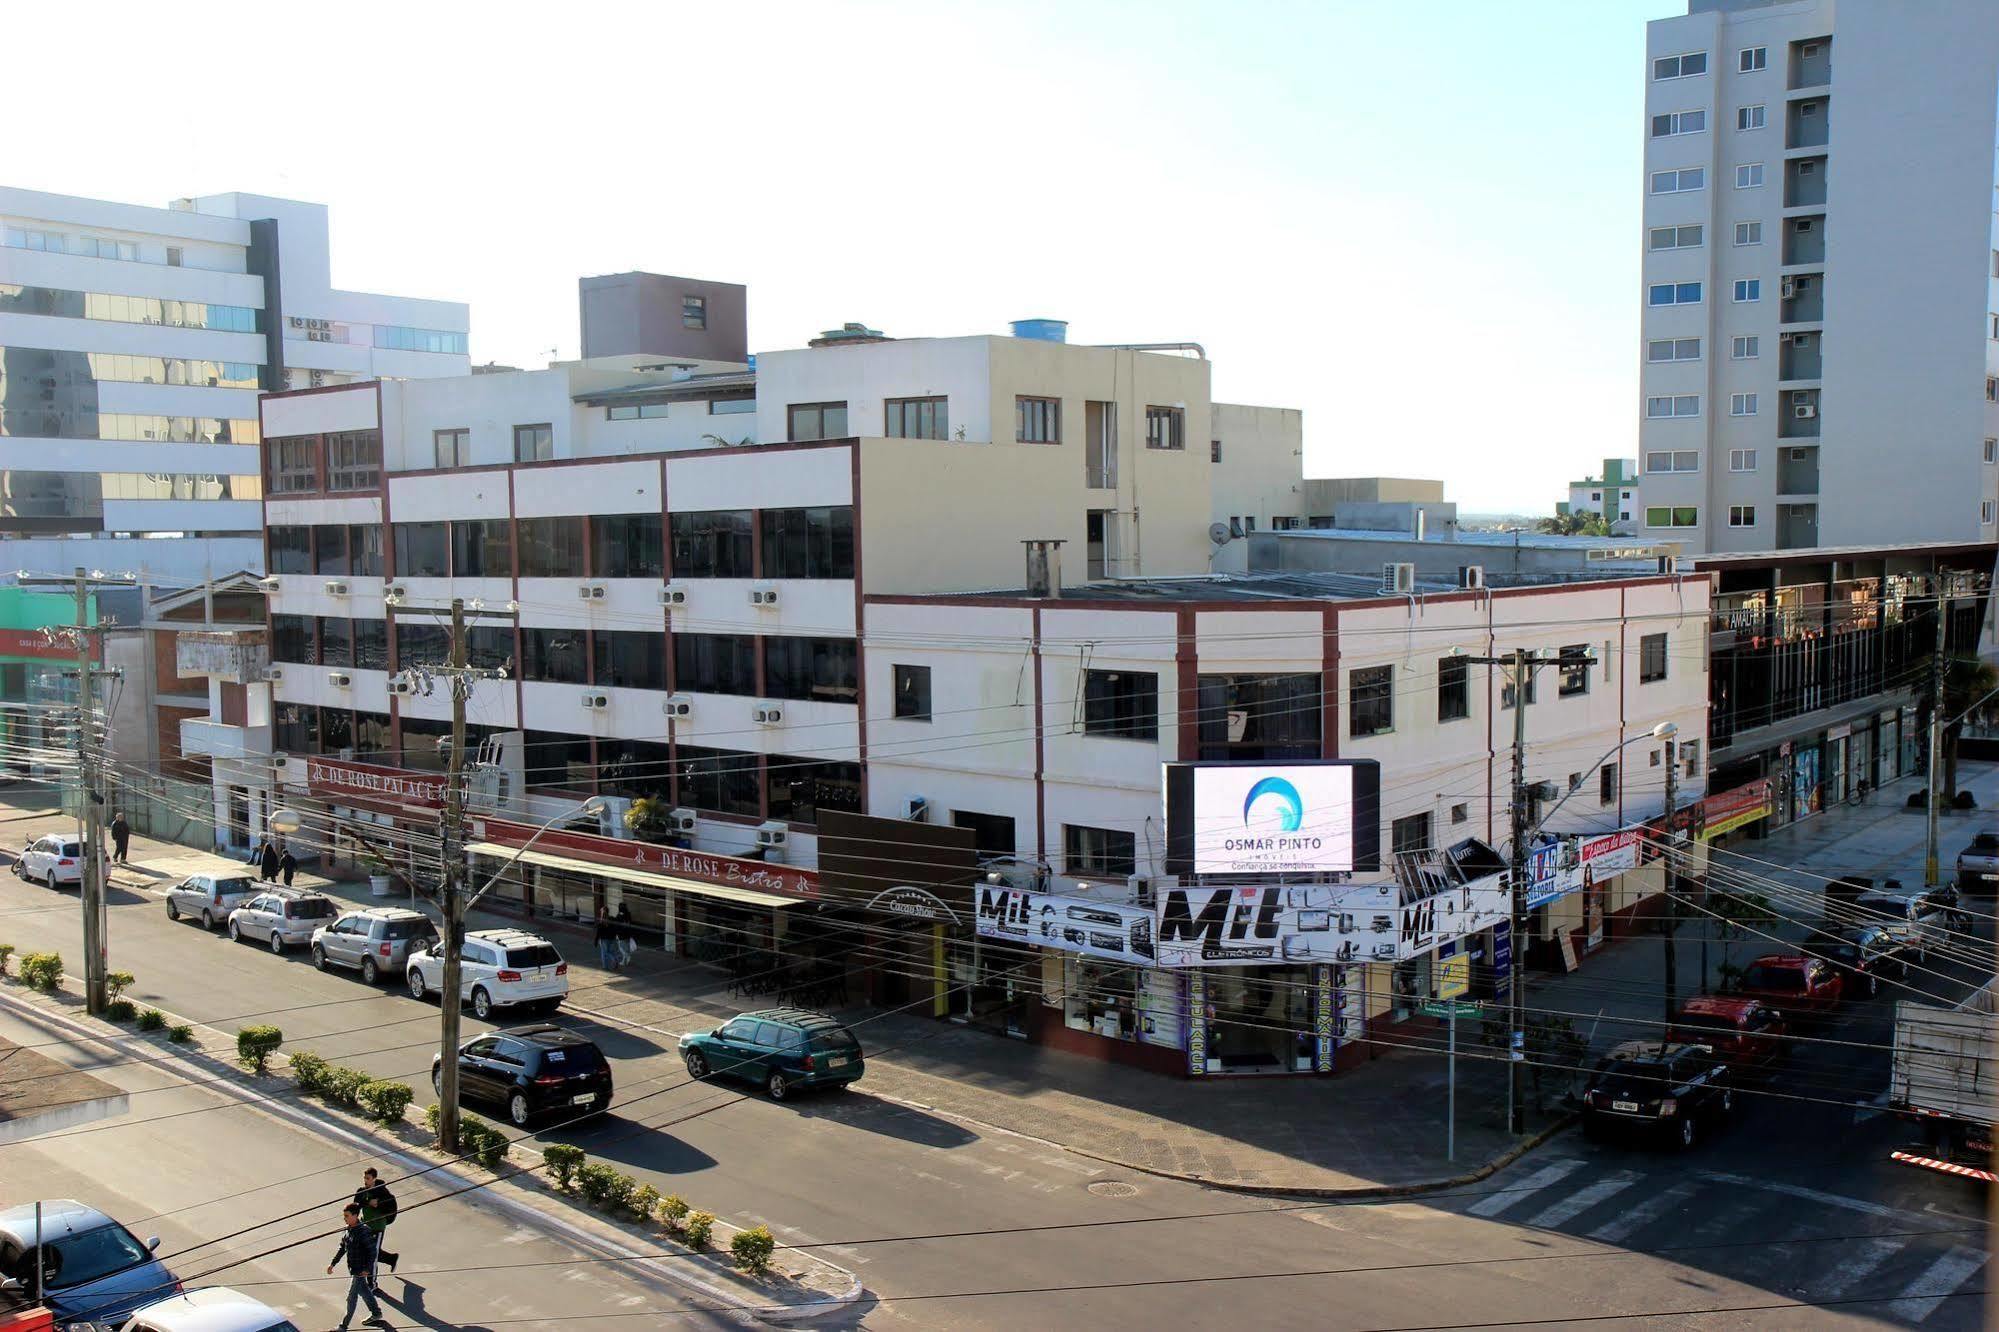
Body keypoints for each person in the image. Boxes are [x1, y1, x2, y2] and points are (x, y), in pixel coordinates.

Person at [327, 1203, 389, 1328]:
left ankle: (343, 1327)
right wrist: (333, 1263)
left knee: (351, 1298)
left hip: (360, 1271)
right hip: (354, 1268)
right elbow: (343, 1247)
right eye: (344, 1216)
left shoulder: (364, 1231)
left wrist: (367, 1268)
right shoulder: (348, 1229)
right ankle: (376, 1314)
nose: (345, 1218)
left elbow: (372, 1252)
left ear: (355, 1216)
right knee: (364, 1291)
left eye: (347, 1216)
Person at [354, 1167, 400, 1287]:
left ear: (374, 1178)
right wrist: (367, 1203)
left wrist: (378, 1204)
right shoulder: (361, 1191)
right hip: (365, 1227)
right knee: (367, 1252)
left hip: (378, 1227)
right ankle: (391, 1259)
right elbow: (356, 1205)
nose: (365, 1181)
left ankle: (372, 1285)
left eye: (368, 1178)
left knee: (372, 1256)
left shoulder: (382, 1192)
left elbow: (391, 1208)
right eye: (364, 1178)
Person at [615, 902, 637, 966]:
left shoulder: (619, 916)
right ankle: (625, 960)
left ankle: (626, 958)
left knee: (622, 948)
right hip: (628, 934)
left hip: (621, 935)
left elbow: (617, 925)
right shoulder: (628, 914)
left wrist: (616, 933)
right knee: (626, 947)